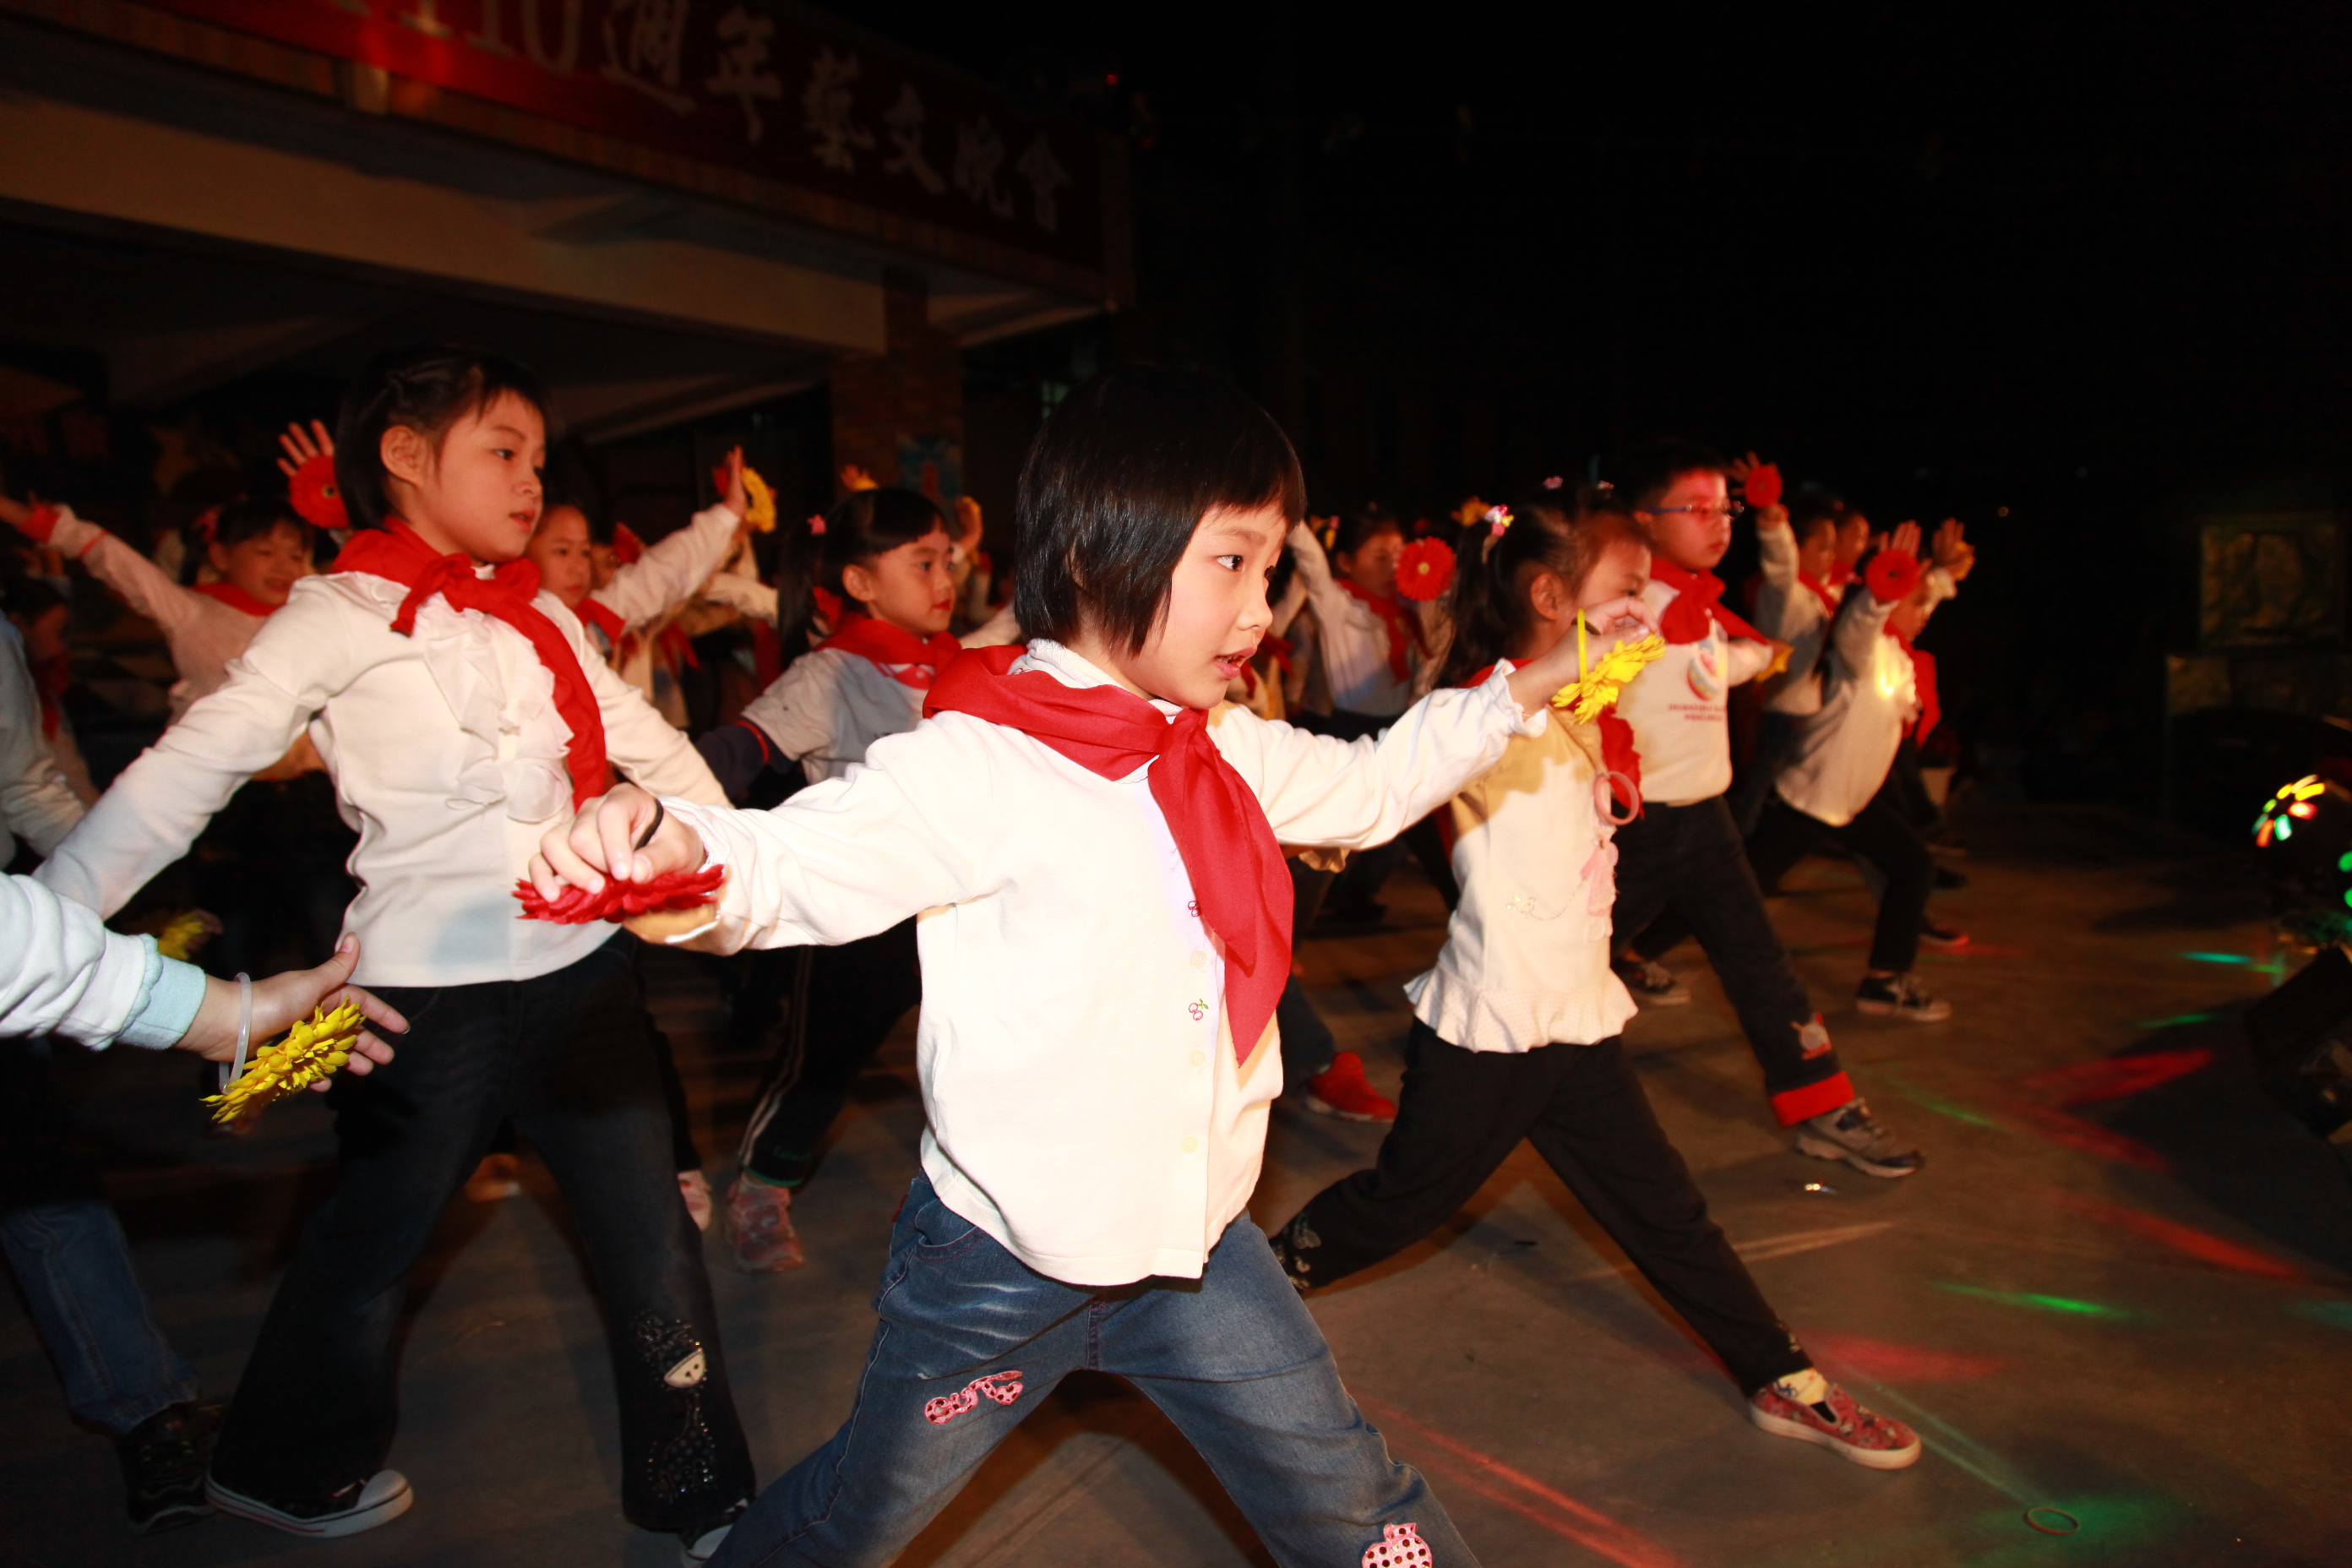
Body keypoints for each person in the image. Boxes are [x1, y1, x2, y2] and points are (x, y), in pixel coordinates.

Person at [529, 366, 1623, 1568]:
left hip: (1201, 1249)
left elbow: (1368, 787)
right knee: (857, 1518)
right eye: (1232, 562)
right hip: (994, 1270)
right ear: (1105, 555)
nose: (1262, 611)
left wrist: (1524, 685)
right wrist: (675, 848)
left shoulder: (1219, 749)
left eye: (1270, 571)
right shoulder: (982, 764)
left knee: (1358, 1509)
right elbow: (801, 860)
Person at [31, 346, 755, 1559]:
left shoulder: (543, 615)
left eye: (539, 457)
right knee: (369, 1247)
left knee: (653, 1241)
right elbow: (190, 770)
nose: (531, 481)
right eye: (502, 451)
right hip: (421, 997)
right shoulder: (336, 614)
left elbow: (652, 747)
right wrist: (48, 930)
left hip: (581, 976)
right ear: (406, 456)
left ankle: (699, 1490)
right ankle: (279, 1464)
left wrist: (750, 876)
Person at [1265, 487, 1920, 1472]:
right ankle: (1256, 1289)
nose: (1646, 609)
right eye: (1628, 590)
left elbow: (1677, 680)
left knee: (1665, 1210)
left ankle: (1778, 1372)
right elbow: (1389, 778)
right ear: (1548, 595)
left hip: (1575, 1019)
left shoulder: (1582, 707)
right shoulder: (1482, 713)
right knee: (1400, 1202)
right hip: (1494, 1028)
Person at [692, 487, 1014, 1272]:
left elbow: (1017, 625)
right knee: (820, 1062)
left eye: (948, 561)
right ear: (861, 582)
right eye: (923, 564)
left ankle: (993, 1201)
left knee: (987, 1050)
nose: (945, 579)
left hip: (956, 906)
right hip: (859, 917)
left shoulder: (955, 660)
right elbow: (735, 752)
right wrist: (657, 808)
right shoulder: (828, 675)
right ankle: (762, 1187)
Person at [1604, 441, 1921, 1179]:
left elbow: (1717, 664)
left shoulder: (1704, 608)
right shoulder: (1620, 610)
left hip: (1706, 823)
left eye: (1726, 509)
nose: (1720, 523)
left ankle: (1823, 1105)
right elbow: (1580, 696)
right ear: (1644, 521)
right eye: (1698, 508)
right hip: (1632, 830)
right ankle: (1455, 1070)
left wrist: (1762, 655)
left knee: (1762, 967)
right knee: (1550, 966)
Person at [1745, 522, 1968, 1022]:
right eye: (1916, 604)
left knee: (1913, 865)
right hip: (1812, 797)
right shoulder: (1863, 651)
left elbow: (1915, 604)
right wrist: (1879, 596)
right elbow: (1857, 628)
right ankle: (1636, 953)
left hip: (1851, 802)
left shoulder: (1898, 655)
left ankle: (1884, 980)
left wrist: (1941, 575)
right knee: (1735, 887)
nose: (1925, 614)